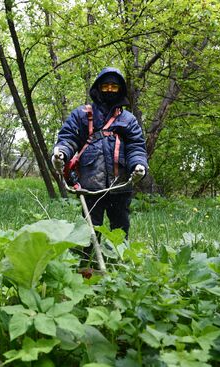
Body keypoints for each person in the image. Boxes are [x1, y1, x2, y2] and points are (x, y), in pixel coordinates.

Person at [52, 67, 148, 263]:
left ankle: (117, 267)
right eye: (105, 86)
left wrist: (139, 166)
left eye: (114, 86)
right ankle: (86, 268)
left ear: (120, 90)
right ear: (98, 88)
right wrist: (61, 152)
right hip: (89, 186)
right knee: (88, 231)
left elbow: (136, 147)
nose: (110, 90)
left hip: (120, 186)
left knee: (119, 231)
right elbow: (69, 138)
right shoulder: (82, 115)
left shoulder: (129, 120)